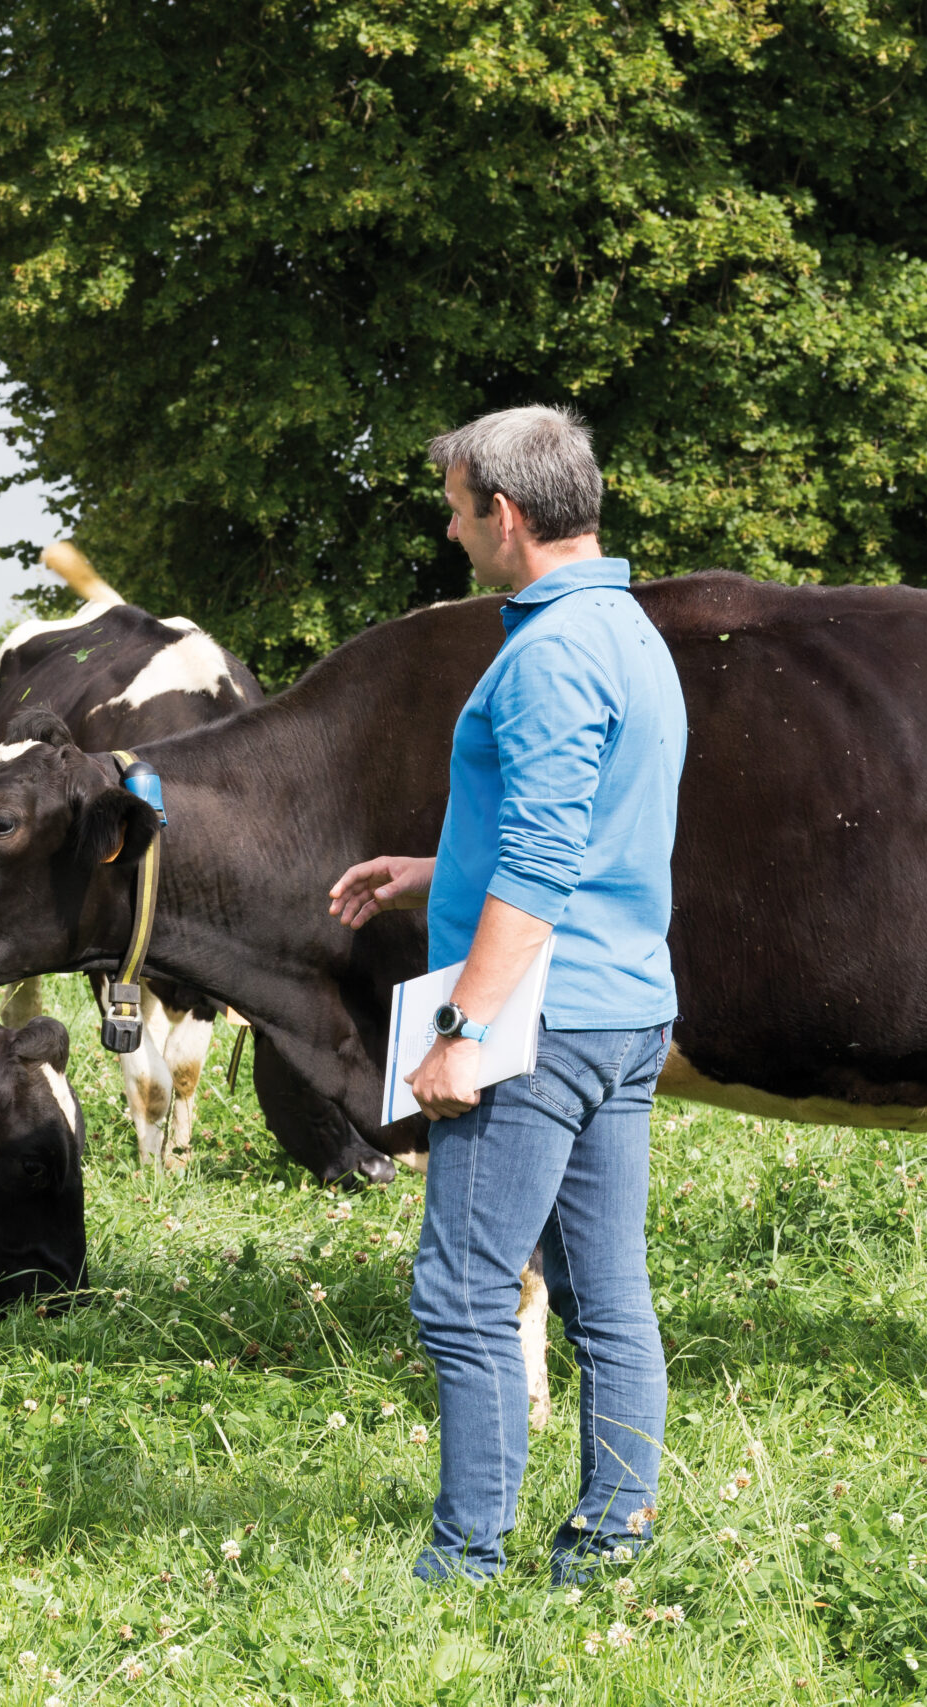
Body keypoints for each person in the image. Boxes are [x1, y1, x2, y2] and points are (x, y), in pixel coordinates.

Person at [329, 405, 686, 1582]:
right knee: (606, 1292)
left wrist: (464, 1031)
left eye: (455, 505)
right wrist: (434, 869)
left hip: (539, 1017)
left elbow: (539, 867)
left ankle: (465, 1562)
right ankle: (609, 1538)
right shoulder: (625, 630)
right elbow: (581, 831)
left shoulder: (547, 654)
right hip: (625, 1004)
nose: (449, 528)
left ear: (509, 513)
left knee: (462, 1292)